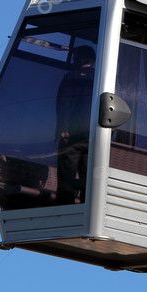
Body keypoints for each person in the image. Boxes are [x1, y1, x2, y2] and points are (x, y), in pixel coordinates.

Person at [55, 45, 95, 204]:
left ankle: (64, 208)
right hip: (93, 135)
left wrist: (63, 128)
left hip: (72, 134)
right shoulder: (100, 79)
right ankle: (86, 208)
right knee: (89, 177)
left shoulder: (72, 77)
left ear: (80, 59)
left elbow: (65, 103)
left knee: (67, 174)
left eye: (75, 57)